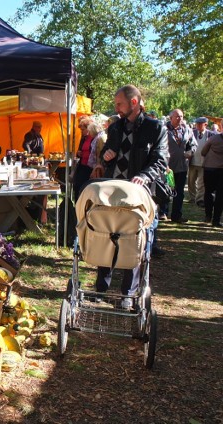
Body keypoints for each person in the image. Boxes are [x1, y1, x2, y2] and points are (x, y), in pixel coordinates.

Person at [90, 84, 168, 309]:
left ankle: (128, 294)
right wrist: (106, 156)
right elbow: (107, 158)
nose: (117, 108)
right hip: (114, 193)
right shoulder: (115, 127)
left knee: (134, 241)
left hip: (139, 195)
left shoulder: (155, 128)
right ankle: (101, 289)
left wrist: (144, 176)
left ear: (133, 102)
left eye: (119, 104)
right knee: (108, 236)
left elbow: (161, 160)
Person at [162, 109, 196, 223]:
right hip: (167, 167)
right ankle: (163, 213)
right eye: (177, 116)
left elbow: (193, 144)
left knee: (179, 192)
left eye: (181, 116)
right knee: (165, 190)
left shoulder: (187, 130)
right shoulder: (164, 129)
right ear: (170, 118)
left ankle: (176, 215)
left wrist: (191, 151)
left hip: (182, 166)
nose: (180, 118)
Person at [189, 117, 215, 207]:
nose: (198, 126)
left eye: (200, 124)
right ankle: (193, 197)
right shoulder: (192, 133)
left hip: (204, 163)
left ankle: (200, 199)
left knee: (201, 182)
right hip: (192, 161)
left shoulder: (211, 135)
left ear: (205, 125)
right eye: (197, 124)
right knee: (191, 181)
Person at [201, 131, 223, 227]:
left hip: (210, 168)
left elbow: (203, 152)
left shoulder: (213, 138)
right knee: (220, 195)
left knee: (208, 192)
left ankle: (208, 215)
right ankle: (216, 219)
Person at [72, 117, 95, 200]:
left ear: (88, 128)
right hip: (82, 165)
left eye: (82, 129)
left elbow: (94, 153)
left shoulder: (94, 138)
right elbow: (81, 149)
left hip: (89, 168)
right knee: (77, 187)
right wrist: (79, 153)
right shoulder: (84, 138)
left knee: (84, 188)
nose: (81, 131)